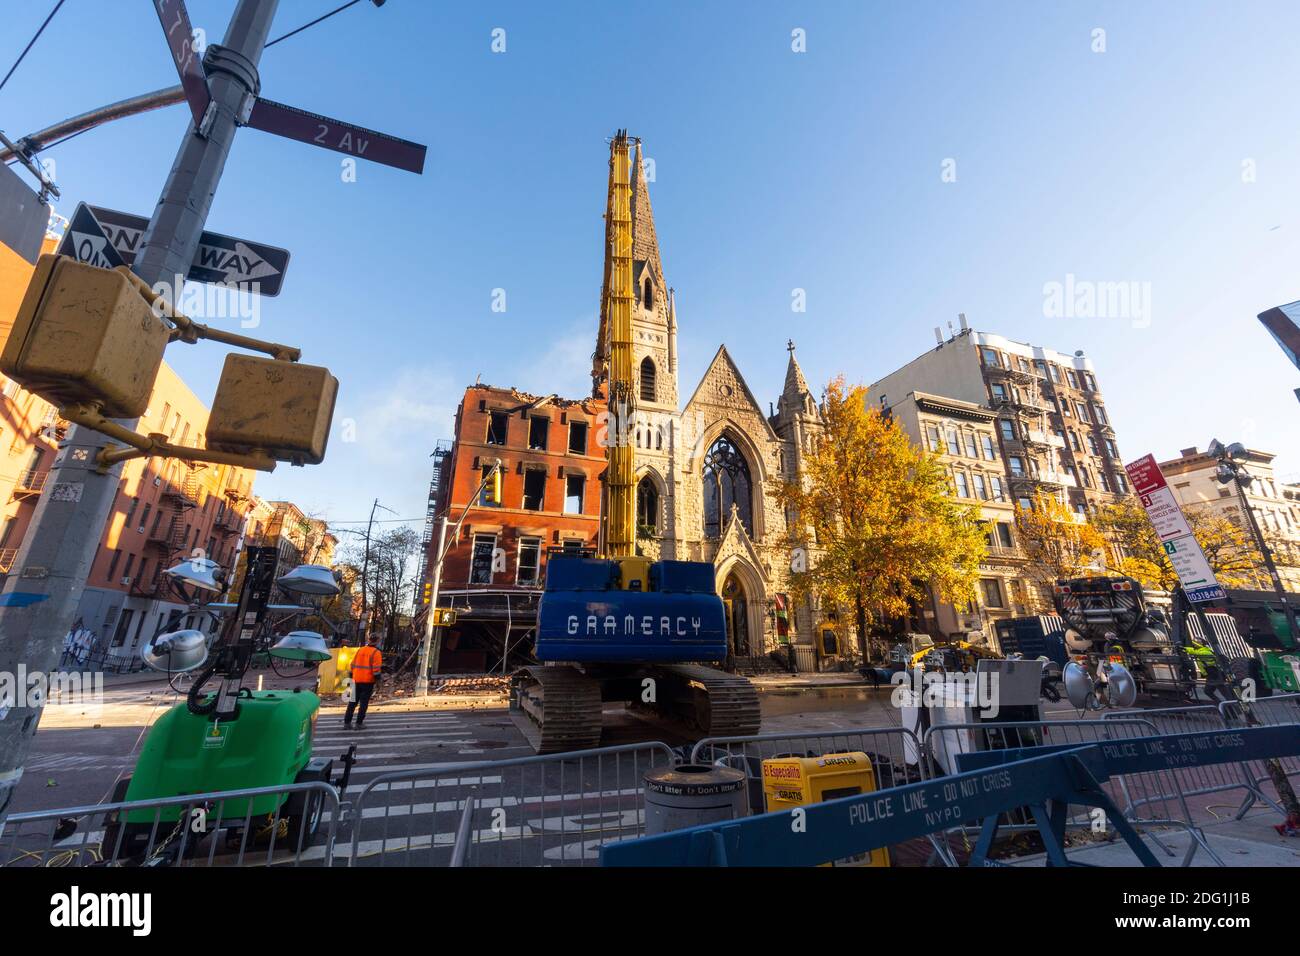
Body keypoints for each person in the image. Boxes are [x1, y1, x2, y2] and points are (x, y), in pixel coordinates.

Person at [345, 634, 382, 729]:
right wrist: (378, 683)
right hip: (367, 682)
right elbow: (376, 671)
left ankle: (347, 723)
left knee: (352, 702)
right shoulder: (376, 653)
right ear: (377, 640)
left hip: (356, 679)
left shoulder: (360, 650)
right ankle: (359, 723)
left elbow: (352, 665)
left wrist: (351, 677)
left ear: (369, 640)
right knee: (363, 703)